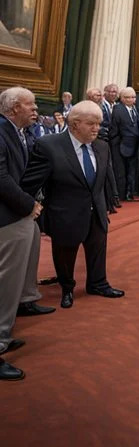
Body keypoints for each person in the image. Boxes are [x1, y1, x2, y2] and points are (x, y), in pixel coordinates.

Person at [20, 101, 124, 309]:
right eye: (91, 124)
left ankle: (98, 283)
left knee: (97, 249)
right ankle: (67, 288)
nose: (97, 128)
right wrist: (26, 208)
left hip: (97, 211)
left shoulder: (102, 146)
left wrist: (108, 205)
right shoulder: (49, 145)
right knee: (65, 253)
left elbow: (103, 180)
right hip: (65, 213)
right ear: (75, 124)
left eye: (99, 123)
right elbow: (30, 182)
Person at [0, 87, 54, 382]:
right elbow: (1, 178)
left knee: (30, 240)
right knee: (4, 283)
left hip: (16, 214)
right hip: (6, 218)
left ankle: (22, 305)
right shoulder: (1, 131)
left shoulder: (18, 131)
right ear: (14, 107)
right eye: (31, 105)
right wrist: (28, 204)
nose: (36, 109)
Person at [109, 87, 139, 202]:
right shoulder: (118, 109)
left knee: (131, 171)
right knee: (120, 172)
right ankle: (120, 195)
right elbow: (116, 129)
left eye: (133, 97)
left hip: (134, 145)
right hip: (120, 145)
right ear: (122, 98)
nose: (131, 100)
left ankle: (130, 193)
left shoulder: (135, 109)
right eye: (128, 97)